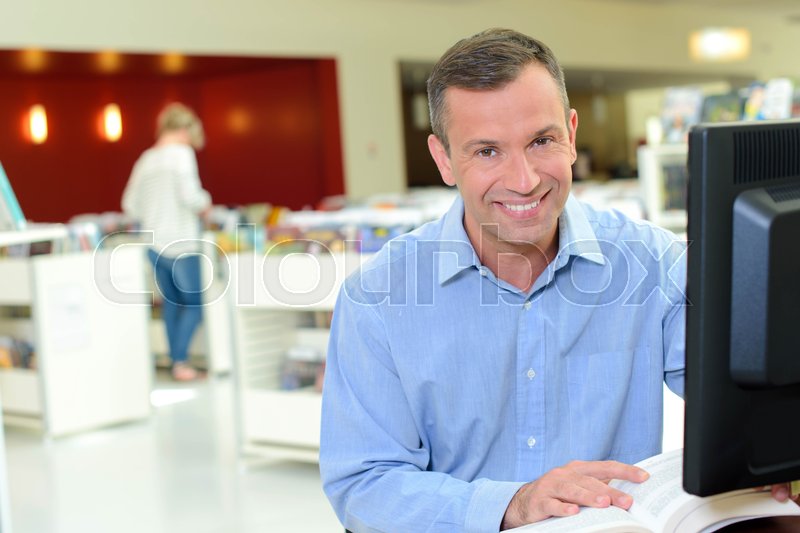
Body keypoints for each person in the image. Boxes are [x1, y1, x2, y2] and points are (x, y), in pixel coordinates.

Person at [122, 102, 211, 382]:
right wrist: (206, 203)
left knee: (171, 304)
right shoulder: (181, 155)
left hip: (153, 244)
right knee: (196, 304)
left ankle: (177, 362)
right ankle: (181, 361)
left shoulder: (146, 159)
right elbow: (191, 196)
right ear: (185, 129)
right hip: (182, 242)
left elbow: (129, 205)